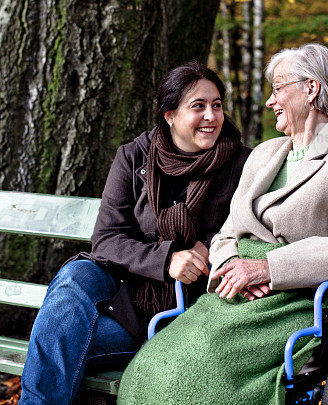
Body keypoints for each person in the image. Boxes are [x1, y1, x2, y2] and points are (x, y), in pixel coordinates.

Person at [118, 43, 328, 405]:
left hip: (304, 296)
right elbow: (228, 232)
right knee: (151, 363)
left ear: (311, 89)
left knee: (201, 374)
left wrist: (266, 268)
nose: (270, 101)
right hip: (238, 290)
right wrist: (231, 263)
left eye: (277, 89)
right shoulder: (264, 154)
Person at [18, 63, 251, 405]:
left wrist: (211, 243)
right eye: (198, 106)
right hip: (125, 286)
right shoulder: (134, 156)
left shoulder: (242, 164)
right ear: (170, 114)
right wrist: (166, 260)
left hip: (174, 308)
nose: (211, 117)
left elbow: (244, 225)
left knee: (59, 340)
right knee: (74, 274)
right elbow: (106, 240)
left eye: (216, 105)